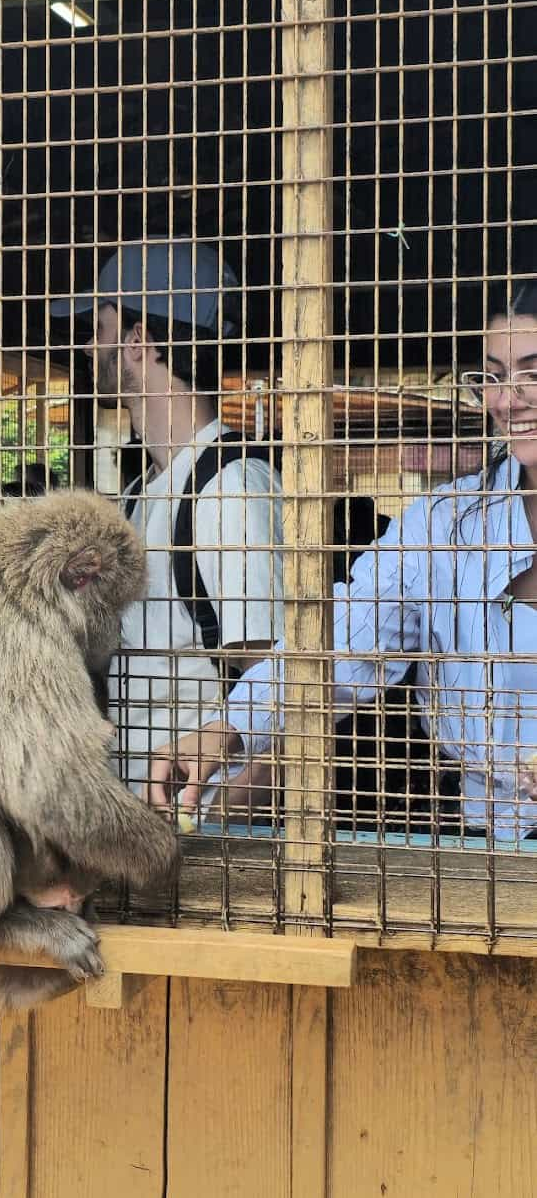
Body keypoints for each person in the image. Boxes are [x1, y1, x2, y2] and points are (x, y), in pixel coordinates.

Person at [153, 278, 537, 843]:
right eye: (493, 376)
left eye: (533, 370)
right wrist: (230, 728)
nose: (507, 400)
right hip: (490, 846)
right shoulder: (447, 522)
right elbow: (343, 641)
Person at [51, 239, 284, 812]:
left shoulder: (229, 486)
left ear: (137, 341)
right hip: (143, 829)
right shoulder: (141, 493)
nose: (88, 343)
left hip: (208, 840)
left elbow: (281, 704)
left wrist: (202, 830)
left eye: (100, 326)